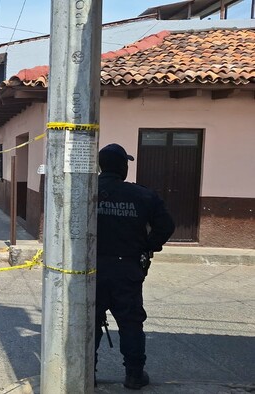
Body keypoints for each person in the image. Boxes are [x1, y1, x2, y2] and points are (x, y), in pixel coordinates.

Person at [95, 143, 175, 390]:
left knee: (88, 323)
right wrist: (147, 246)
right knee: (131, 325)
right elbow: (166, 226)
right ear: (122, 167)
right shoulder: (142, 195)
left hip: (91, 270)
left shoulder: (86, 191)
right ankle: (134, 375)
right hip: (127, 270)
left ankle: (85, 372)